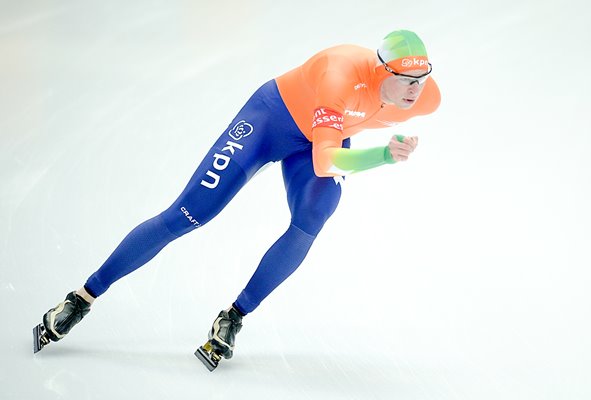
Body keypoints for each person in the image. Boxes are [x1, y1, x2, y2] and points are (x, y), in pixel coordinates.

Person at [33, 29, 441, 368]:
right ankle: (81, 298)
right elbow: (327, 161)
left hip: (321, 135)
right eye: (406, 81)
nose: (414, 91)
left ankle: (234, 316)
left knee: (313, 217)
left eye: (420, 81)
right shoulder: (340, 77)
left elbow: (327, 152)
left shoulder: (425, 97)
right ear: (378, 70)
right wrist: (384, 155)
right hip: (271, 120)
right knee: (188, 215)